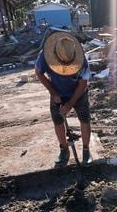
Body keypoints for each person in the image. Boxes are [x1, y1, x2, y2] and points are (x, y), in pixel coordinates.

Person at [35, 32, 93, 166]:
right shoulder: (45, 55)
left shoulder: (82, 59)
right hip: (57, 91)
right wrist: (54, 93)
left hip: (78, 92)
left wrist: (71, 103)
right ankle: (64, 149)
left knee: (84, 119)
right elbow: (38, 73)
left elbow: (83, 84)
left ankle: (86, 149)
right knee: (58, 121)